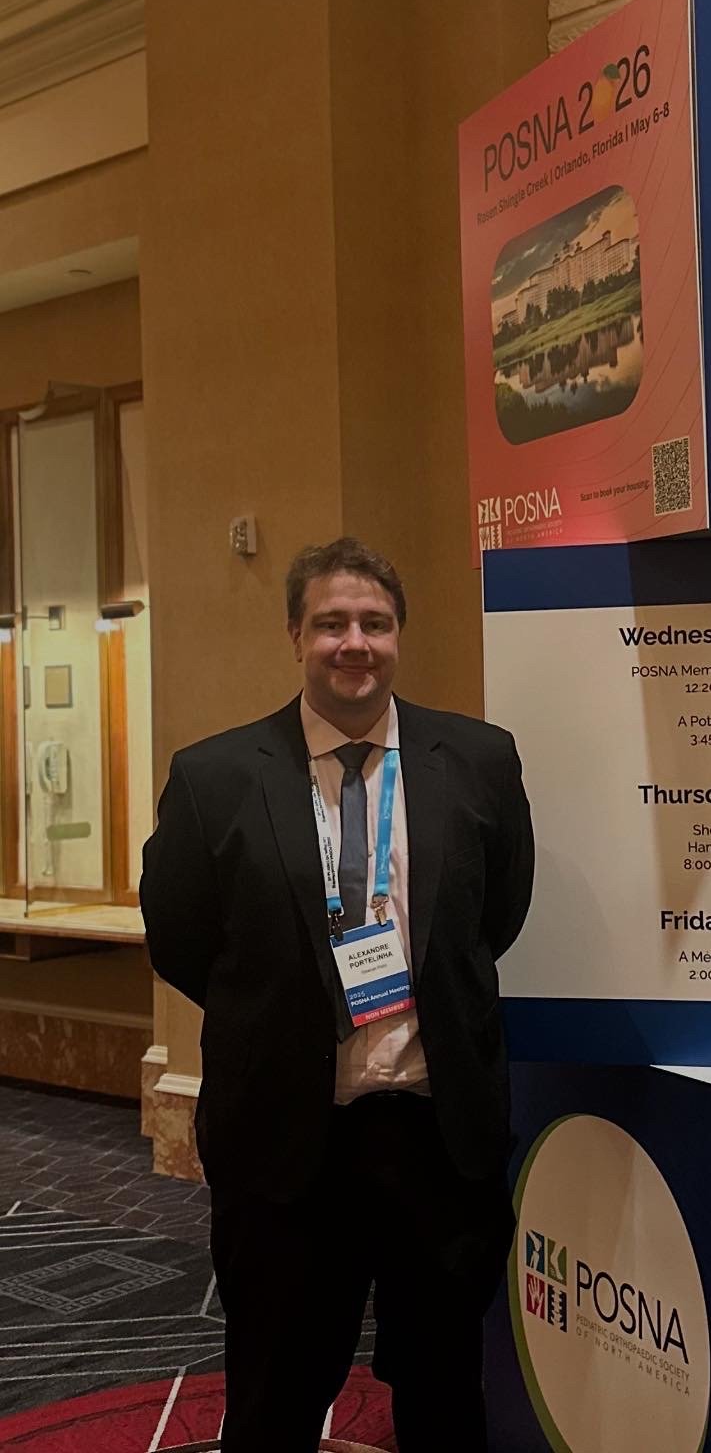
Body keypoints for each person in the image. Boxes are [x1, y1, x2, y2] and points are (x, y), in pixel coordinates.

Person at [141, 537, 534, 1452]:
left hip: (437, 1140)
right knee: (275, 1395)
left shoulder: (478, 760)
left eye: (374, 623)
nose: (354, 643)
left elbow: (495, 918)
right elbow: (182, 941)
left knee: (443, 1390)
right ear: (295, 635)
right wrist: (279, 1012)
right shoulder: (214, 778)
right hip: (288, 1147)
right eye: (331, 624)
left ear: (398, 635)